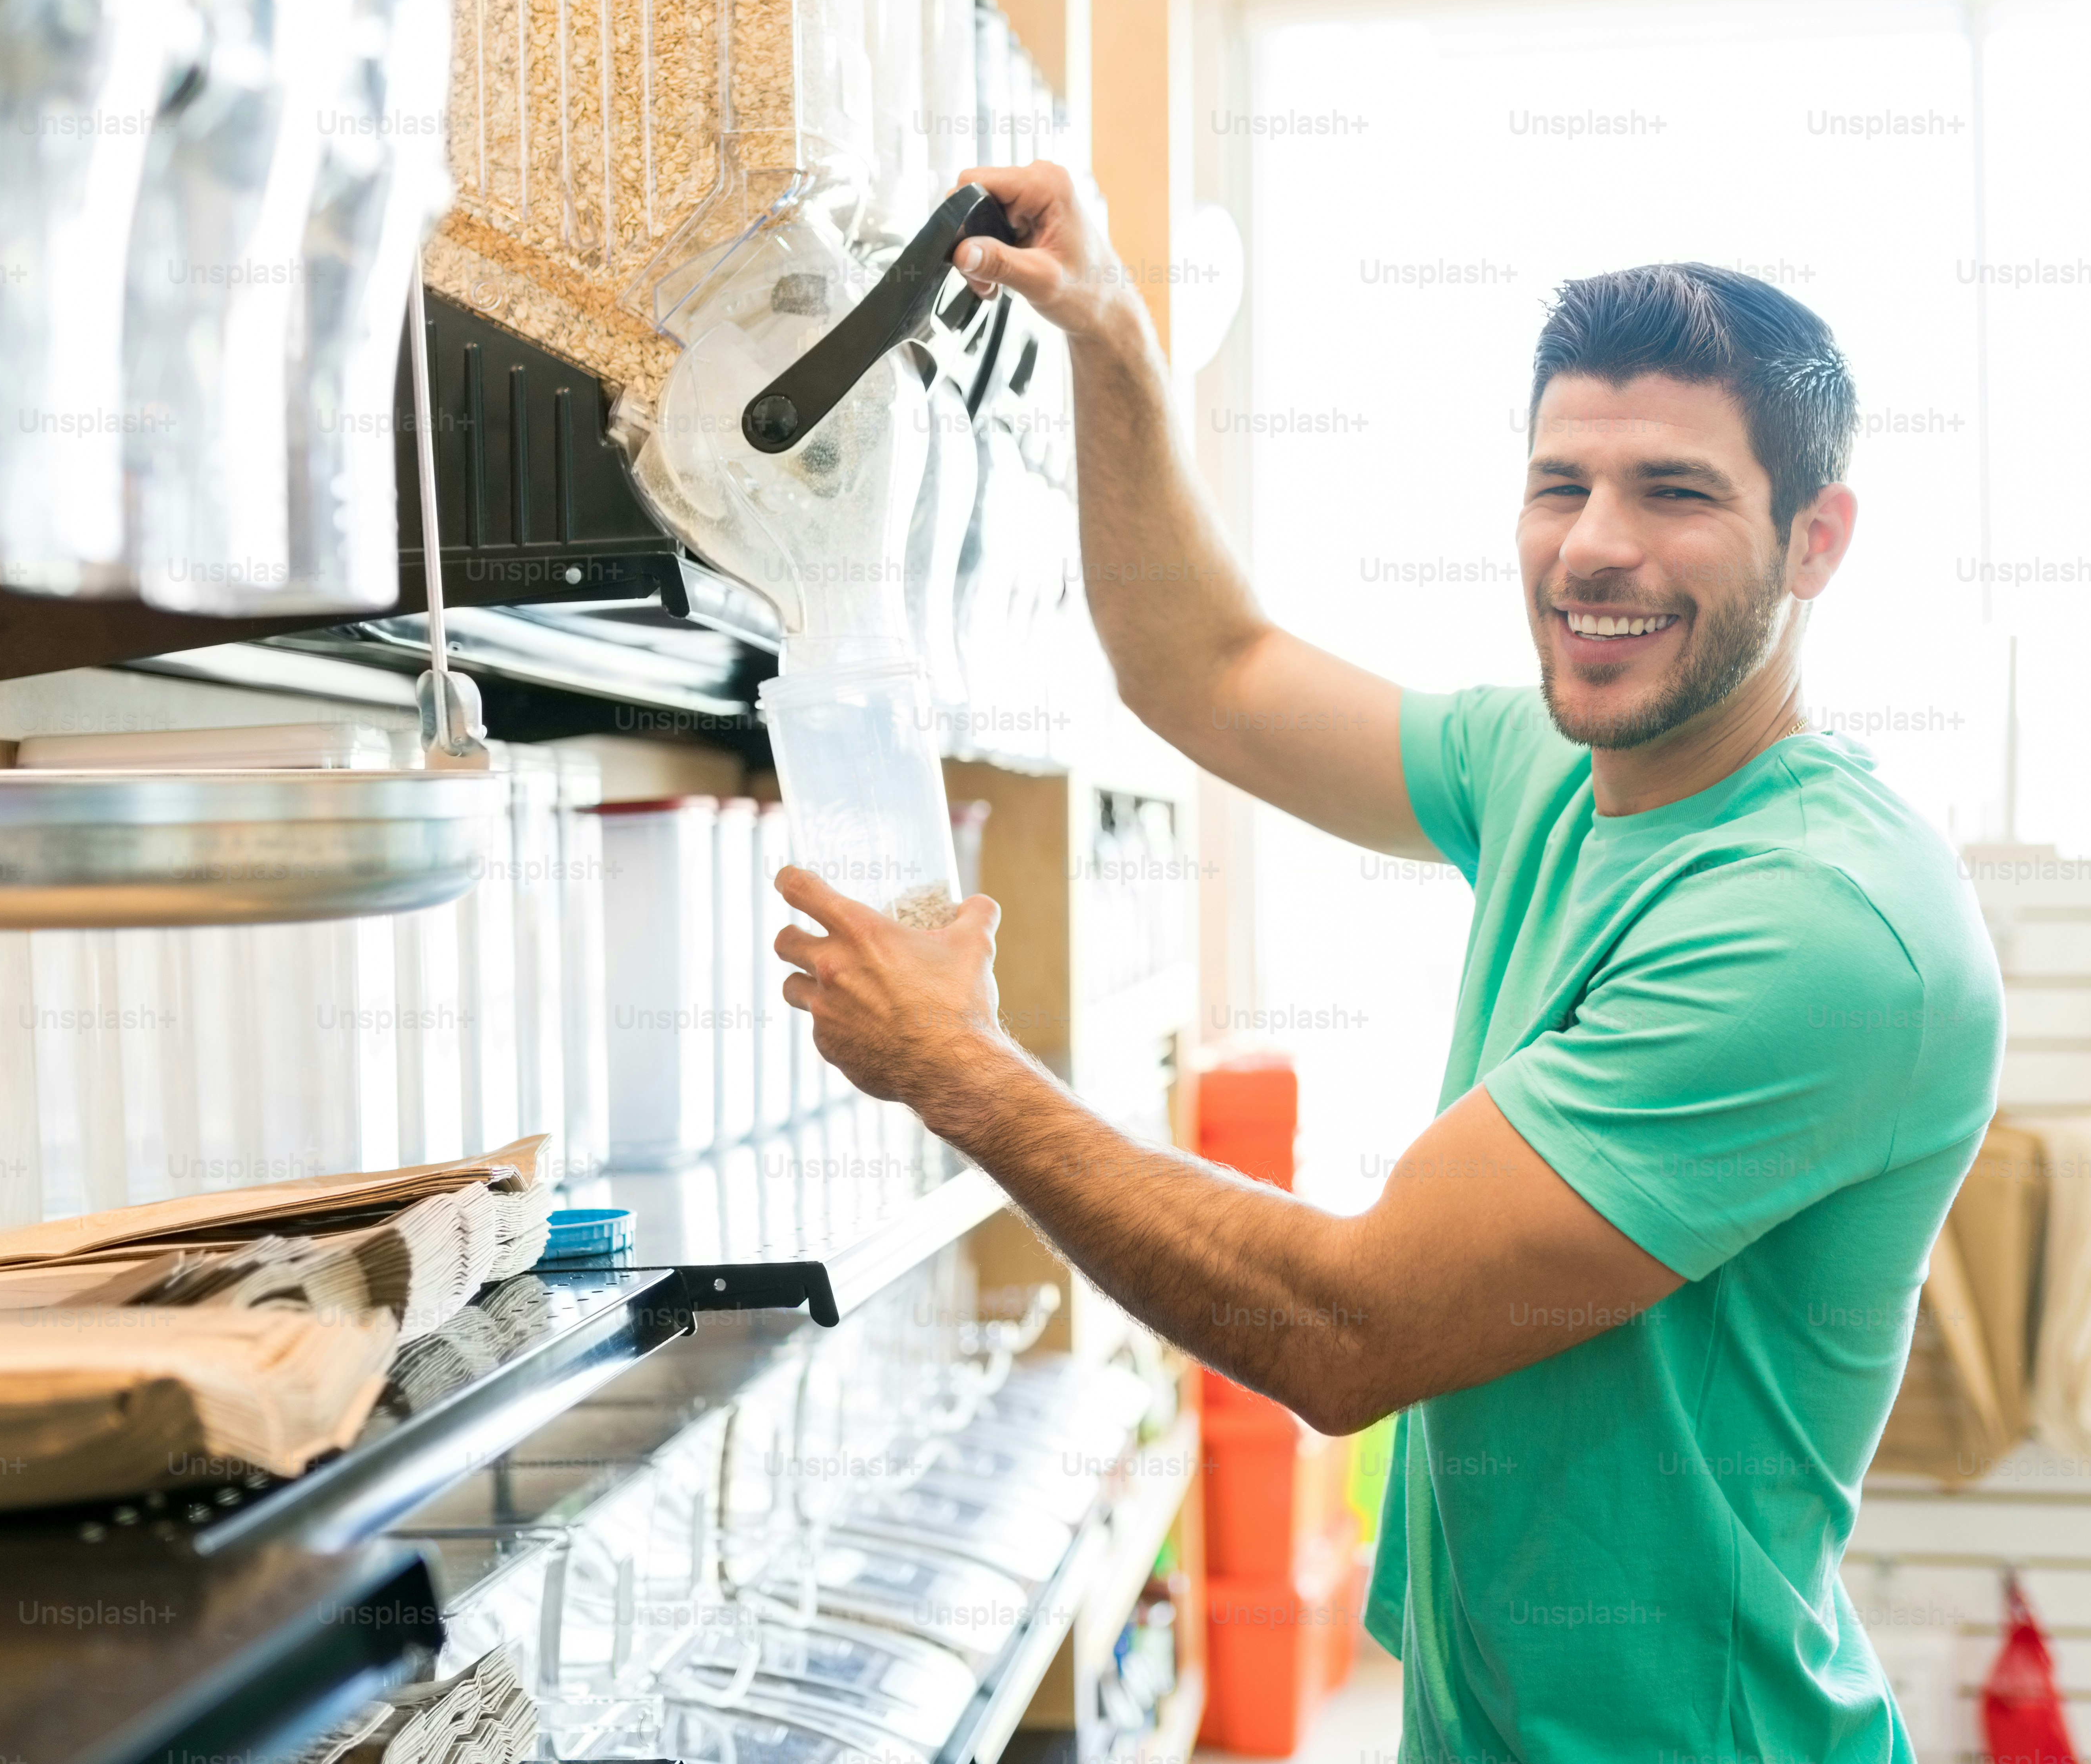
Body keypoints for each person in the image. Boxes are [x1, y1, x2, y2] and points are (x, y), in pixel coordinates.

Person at [770, 162, 2004, 1764]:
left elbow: (1344, 1328)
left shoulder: (1828, 927)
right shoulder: (1550, 766)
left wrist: (961, 1067)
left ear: (1817, 537)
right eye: (1561, 483)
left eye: (1676, 493)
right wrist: (1115, 341)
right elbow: (1210, 669)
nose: (1594, 548)